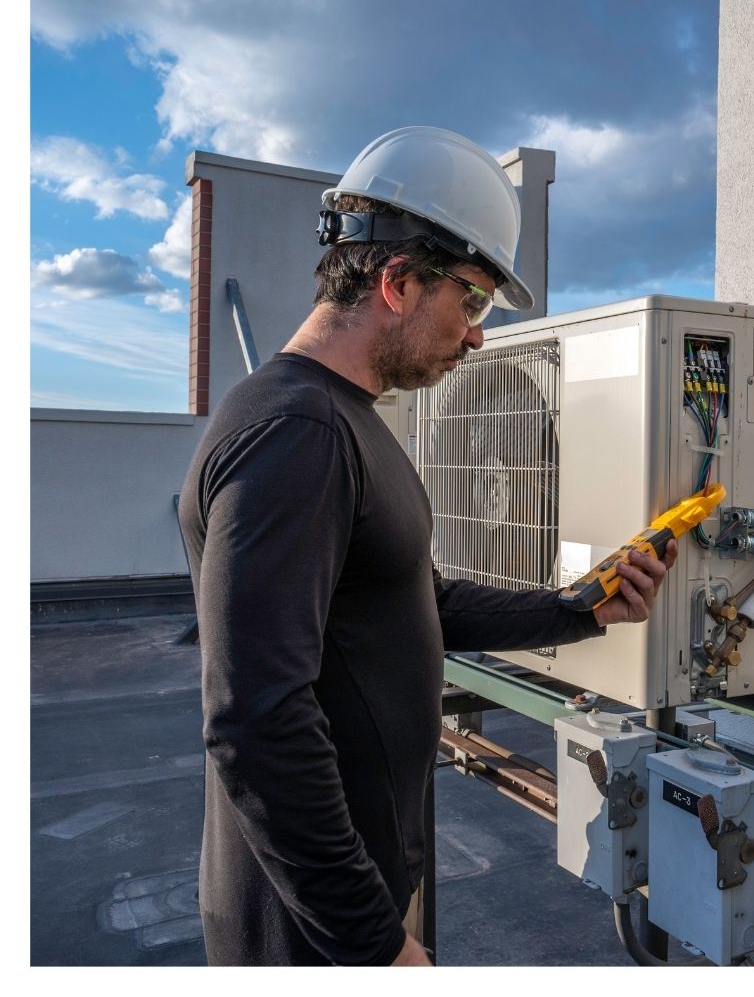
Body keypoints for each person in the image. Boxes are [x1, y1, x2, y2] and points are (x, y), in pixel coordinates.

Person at [178, 126, 677, 967]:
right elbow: (255, 722)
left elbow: (418, 602)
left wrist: (580, 607)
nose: (480, 335)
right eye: (475, 301)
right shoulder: (297, 433)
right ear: (398, 281)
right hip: (308, 934)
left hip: (342, 908)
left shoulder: (341, 421)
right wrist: (375, 945)